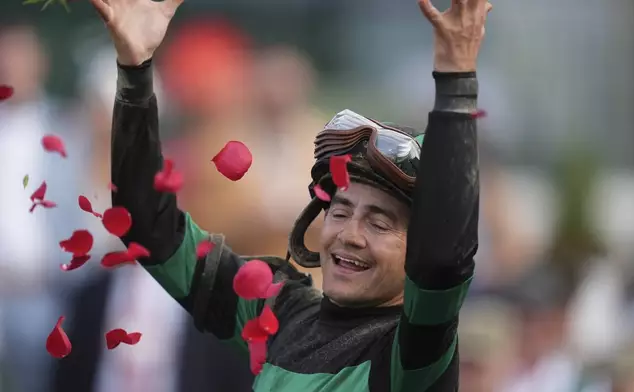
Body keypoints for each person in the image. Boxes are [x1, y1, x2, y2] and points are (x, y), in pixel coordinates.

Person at [90, 0, 491, 389]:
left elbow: (443, 261)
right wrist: (135, 70)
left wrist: (456, 80)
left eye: (379, 222)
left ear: (416, 249)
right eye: (340, 211)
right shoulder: (277, 311)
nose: (349, 233)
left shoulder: (414, 353)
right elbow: (146, 228)